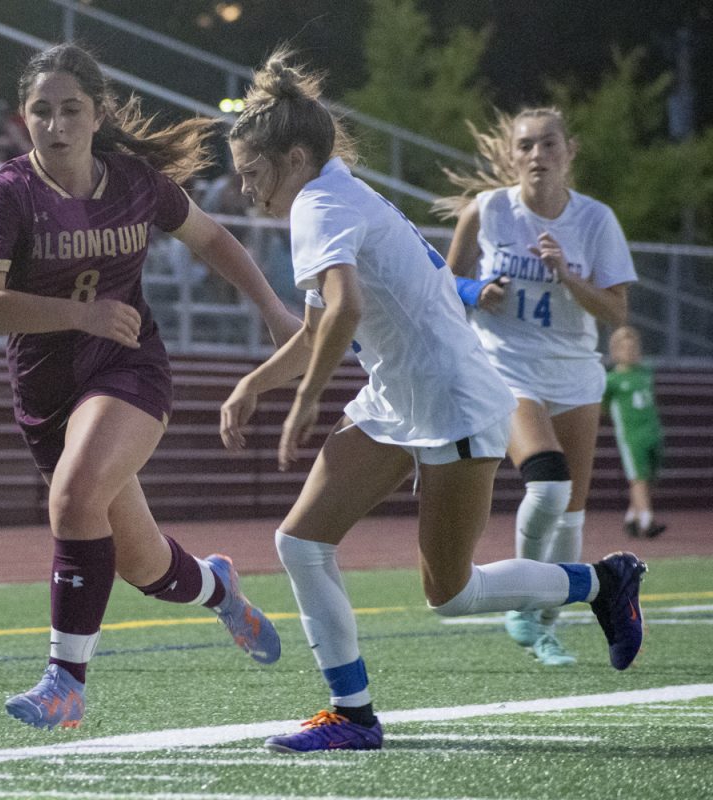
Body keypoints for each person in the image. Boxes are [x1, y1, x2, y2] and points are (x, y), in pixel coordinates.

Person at [220, 51, 647, 754]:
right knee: (299, 542)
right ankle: (351, 714)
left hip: (450, 400)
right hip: (399, 396)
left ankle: (601, 581)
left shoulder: (321, 203)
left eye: (252, 173)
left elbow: (345, 308)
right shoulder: (331, 190)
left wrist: (304, 402)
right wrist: (255, 384)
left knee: (450, 594)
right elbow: (315, 326)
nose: (245, 190)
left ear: (293, 158)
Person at [0, 43, 302, 731]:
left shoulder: (136, 182)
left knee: (75, 495)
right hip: (47, 394)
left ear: (98, 114)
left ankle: (66, 683)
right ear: (22, 117)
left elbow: (211, 239)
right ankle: (218, 588)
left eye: (71, 110)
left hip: (128, 370)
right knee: (146, 567)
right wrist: (78, 313)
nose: (56, 125)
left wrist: (272, 308)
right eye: (41, 111)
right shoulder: (6, 195)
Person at [438, 107, 637, 667]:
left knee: (571, 517)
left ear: (569, 151)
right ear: (510, 155)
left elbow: (618, 311)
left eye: (548, 144)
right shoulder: (489, 209)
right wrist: (479, 292)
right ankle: (523, 607)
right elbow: (445, 283)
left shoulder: (596, 220)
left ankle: (546, 625)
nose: (536, 156)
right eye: (525, 146)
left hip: (575, 372)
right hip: (507, 367)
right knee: (547, 488)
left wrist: (568, 276)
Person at [603, 326, 666, 539]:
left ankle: (632, 516)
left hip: (652, 431)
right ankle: (647, 521)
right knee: (638, 478)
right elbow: (602, 407)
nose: (629, 352)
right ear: (615, 351)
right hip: (631, 436)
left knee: (649, 477)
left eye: (633, 347)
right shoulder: (611, 380)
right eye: (624, 348)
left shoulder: (645, 372)